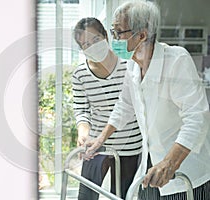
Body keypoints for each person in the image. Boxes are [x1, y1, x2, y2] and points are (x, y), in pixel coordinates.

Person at [85, 1, 210, 199]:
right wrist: (100, 138)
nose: (114, 39)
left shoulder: (176, 60)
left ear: (141, 35)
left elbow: (197, 118)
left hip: (183, 170)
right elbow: (124, 105)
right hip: (150, 164)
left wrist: (170, 163)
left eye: (119, 32)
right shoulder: (132, 66)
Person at [72, 17, 142, 199]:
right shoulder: (80, 74)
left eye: (95, 40)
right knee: (87, 194)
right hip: (97, 143)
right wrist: (83, 132)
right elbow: (81, 110)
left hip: (130, 144)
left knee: (122, 195)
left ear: (106, 36)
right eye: (85, 44)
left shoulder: (130, 64)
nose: (92, 46)